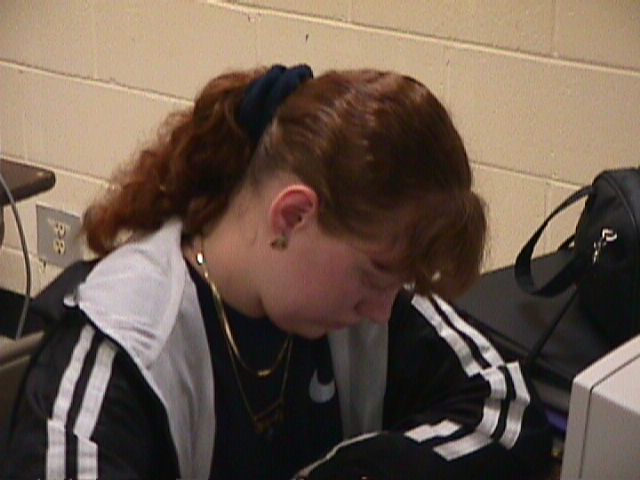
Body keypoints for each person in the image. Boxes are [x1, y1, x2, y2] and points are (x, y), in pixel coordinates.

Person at [0, 65, 551, 479]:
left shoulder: (361, 298)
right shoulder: (123, 349)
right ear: (292, 217)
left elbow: (508, 408)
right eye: (376, 275)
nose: (384, 311)